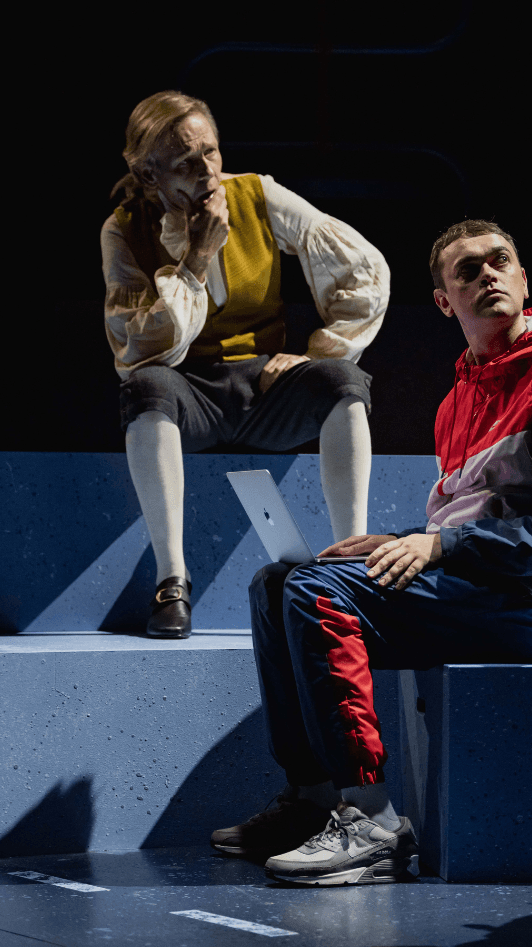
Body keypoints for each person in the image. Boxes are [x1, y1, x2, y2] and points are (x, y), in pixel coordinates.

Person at [211, 219, 532, 885]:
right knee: (276, 584)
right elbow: (479, 509)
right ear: (444, 301)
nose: (488, 274)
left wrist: (442, 544)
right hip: (487, 580)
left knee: (316, 593)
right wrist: (403, 539)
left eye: (500, 261)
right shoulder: (458, 398)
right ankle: (311, 798)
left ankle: (373, 821)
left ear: (524, 278)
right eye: (467, 270)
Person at [102, 91, 389, 637]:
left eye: (210, 152)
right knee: (146, 388)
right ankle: (171, 582)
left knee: (344, 382)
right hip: (190, 394)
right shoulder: (124, 228)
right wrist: (196, 257)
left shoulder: (256, 194)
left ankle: (350, 564)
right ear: (148, 175)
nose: (206, 171)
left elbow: (364, 271)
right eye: (184, 162)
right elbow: (141, 347)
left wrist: (317, 354)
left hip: (264, 388)